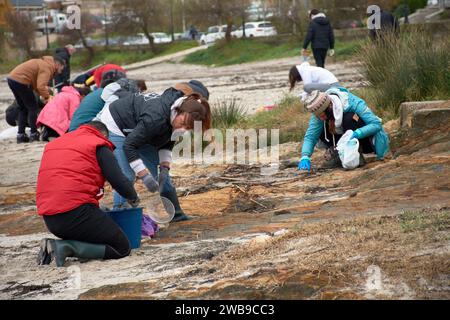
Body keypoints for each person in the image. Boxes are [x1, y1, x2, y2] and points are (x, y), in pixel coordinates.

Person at [99, 85, 211, 222]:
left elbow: (167, 144)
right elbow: (129, 146)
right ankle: (120, 212)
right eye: (182, 124)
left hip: (141, 130)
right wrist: (144, 176)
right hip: (117, 125)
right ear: (177, 111)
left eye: (187, 128)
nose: (182, 129)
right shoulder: (155, 118)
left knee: (162, 176)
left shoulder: (176, 120)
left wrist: (164, 168)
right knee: (127, 175)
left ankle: (176, 214)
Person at [36, 121, 140, 267]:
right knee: (121, 247)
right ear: (103, 135)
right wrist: (133, 197)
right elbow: (119, 181)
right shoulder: (98, 144)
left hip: (50, 218)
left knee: (98, 225)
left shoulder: (57, 143)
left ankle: (57, 244)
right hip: (75, 213)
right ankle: (66, 247)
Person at [298, 88, 390, 171]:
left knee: (350, 118)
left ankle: (357, 153)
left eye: (323, 115)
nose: (321, 118)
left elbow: (376, 124)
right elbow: (311, 136)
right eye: (319, 116)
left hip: (364, 139)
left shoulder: (351, 102)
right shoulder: (318, 111)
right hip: (341, 139)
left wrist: (358, 133)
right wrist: (305, 156)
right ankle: (337, 153)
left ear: (329, 107)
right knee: (319, 128)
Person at [7, 56, 65, 143]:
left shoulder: (43, 63)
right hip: (22, 80)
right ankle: (34, 134)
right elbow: (41, 86)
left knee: (23, 108)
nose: (60, 71)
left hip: (12, 78)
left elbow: (37, 87)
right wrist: (48, 97)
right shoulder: (47, 67)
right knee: (32, 107)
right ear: (57, 65)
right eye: (61, 69)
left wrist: (44, 95)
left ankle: (21, 135)